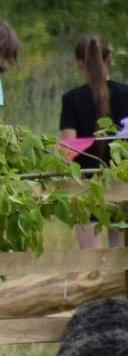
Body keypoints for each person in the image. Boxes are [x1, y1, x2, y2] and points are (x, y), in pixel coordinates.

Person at [59, 35, 128, 249]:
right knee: (121, 259)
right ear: (110, 59)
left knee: (91, 262)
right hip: (122, 180)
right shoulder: (126, 93)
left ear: (79, 63)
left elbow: (68, 148)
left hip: (85, 186)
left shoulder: (71, 99)